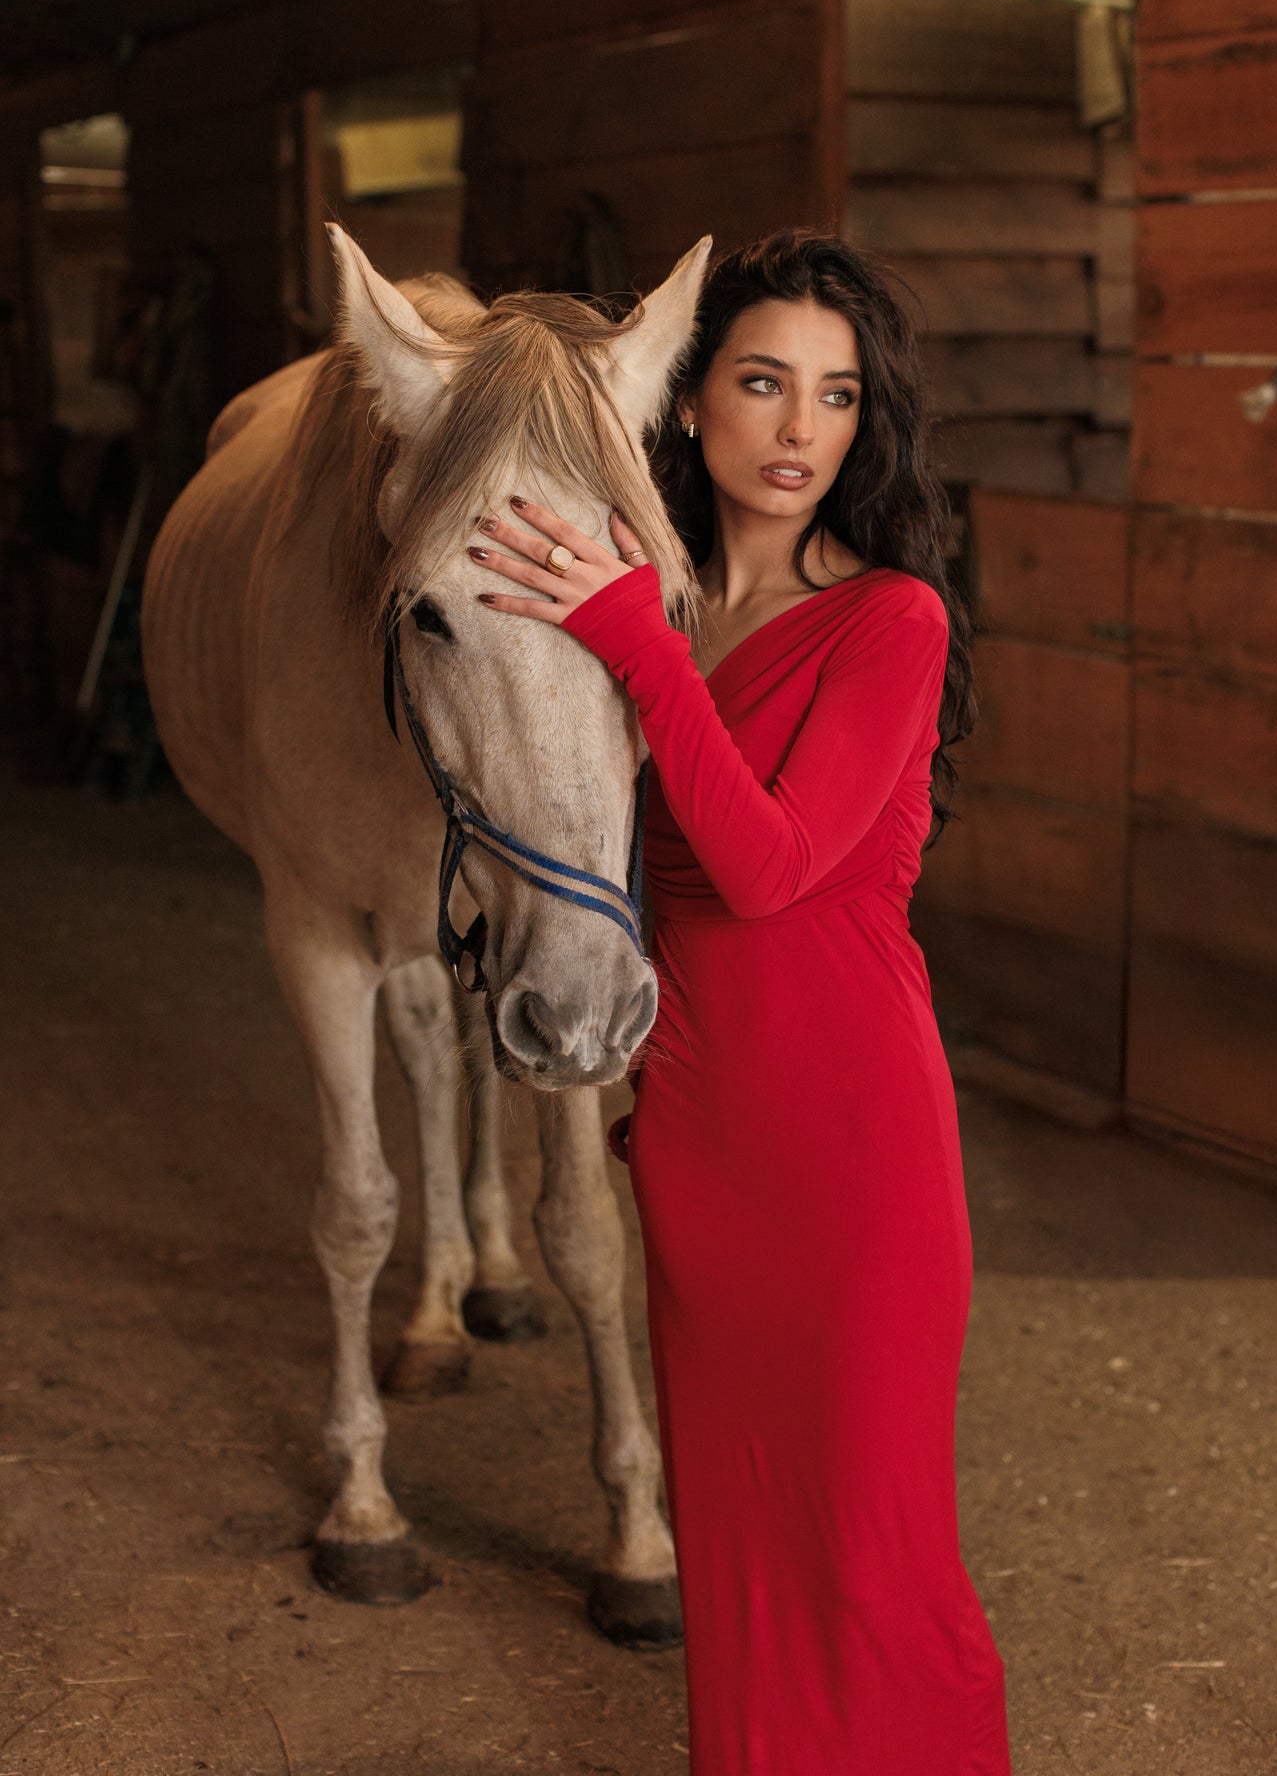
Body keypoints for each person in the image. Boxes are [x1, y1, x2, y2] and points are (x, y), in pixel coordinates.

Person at [468, 232, 1011, 1775]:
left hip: (854, 1157)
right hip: (700, 1148)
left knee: (876, 1559)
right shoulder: (648, 610)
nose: (795, 430)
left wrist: (638, 646)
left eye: (834, 397)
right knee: (746, 1572)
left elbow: (765, 875)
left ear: (864, 426)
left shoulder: (888, 621)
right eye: (760, 382)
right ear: (690, 402)